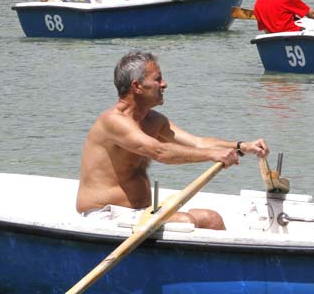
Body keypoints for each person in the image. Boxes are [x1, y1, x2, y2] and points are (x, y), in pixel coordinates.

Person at [76, 51, 269, 230]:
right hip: (106, 215)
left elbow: (197, 143)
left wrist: (242, 146)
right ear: (137, 86)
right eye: (157, 79)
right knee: (189, 222)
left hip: (140, 213)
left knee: (210, 218)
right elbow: (160, 152)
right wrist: (212, 155)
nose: (164, 84)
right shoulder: (113, 121)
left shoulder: (153, 120)